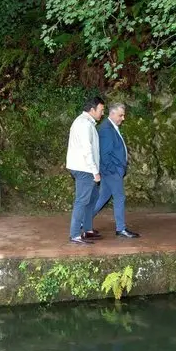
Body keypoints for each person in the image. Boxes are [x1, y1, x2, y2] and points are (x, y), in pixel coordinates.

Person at [93, 103, 139, 238]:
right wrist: (115, 170)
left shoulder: (111, 127)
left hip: (111, 171)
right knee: (119, 197)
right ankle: (121, 229)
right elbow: (105, 154)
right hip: (112, 171)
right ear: (112, 114)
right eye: (120, 115)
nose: (123, 118)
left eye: (123, 115)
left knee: (102, 198)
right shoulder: (107, 129)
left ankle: (83, 222)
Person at [65, 95, 104, 245]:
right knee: (82, 201)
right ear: (92, 109)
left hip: (84, 167)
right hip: (84, 168)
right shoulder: (84, 124)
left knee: (92, 198)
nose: (102, 113)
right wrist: (95, 171)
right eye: (101, 110)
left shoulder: (87, 123)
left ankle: (87, 230)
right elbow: (87, 150)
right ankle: (75, 234)